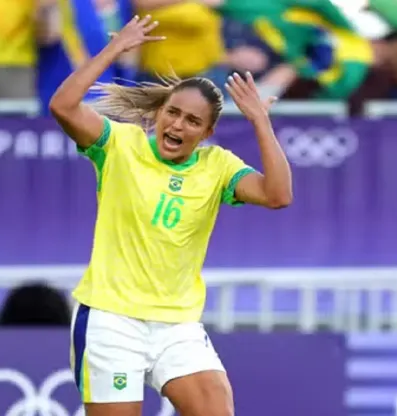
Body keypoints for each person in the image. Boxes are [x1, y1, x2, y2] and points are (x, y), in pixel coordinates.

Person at [48, 15, 293, 416]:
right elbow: (62, 105)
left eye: (193, 121)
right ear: (159, 112)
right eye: (173, 113)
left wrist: (260, 123)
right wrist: (114, 50)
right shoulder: (118, 145)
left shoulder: (218, 166)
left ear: (207, 133)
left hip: (176, 326)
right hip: (112, 320)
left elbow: (278, 195)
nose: (178, 124)